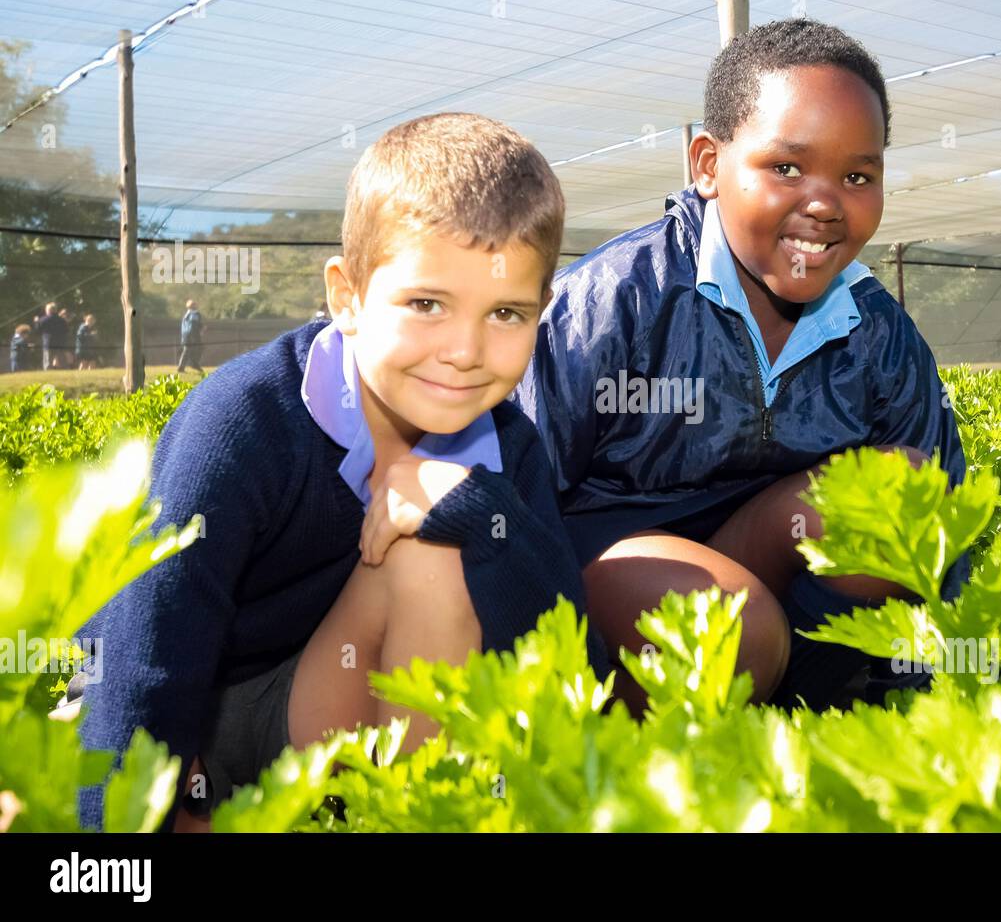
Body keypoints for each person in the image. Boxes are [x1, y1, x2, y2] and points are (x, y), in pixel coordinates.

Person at [74, 113, 608, 833]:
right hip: (212, 719)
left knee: (440, 552)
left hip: (329, 719)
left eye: (506, 313)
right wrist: (128, 827)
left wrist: (484, 517)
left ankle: (398, 818)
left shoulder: (509, 446)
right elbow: (150, 636)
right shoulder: (245, 421)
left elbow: (576, 669)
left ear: (544, 312)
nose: (464, 350)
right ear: (347, 296)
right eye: (426, 304)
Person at [516, 19, 968, 715]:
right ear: (706, 164)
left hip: (754, 563)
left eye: (856, 175)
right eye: (786, 167)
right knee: (732, 632)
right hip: (604, 577)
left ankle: (818, 713)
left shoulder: (880, 335)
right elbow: (510, 502)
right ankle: (629, 758)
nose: (822, 202)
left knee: (902, 490)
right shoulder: (616, 301)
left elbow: (944, 542)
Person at [34, 302, 67, 370]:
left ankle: (48, 374)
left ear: (48, 310)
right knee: (62, 362)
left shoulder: (43, 320)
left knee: (48, 363)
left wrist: (36, 322)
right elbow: (66, 330)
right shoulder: (62, 320)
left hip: (48, 343)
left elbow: (37, 330)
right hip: (60, 343)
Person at [177, 300, 205, 376]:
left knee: (191, 351)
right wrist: (200, 329)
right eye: (195, 305)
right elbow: (193, 325)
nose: (196, 306)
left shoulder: (187, 314)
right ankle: (185, 366)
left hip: (186, 335)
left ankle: (193, 364)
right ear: (192, 306)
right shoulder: (194, 314)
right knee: (189, 351)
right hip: (192, 335)